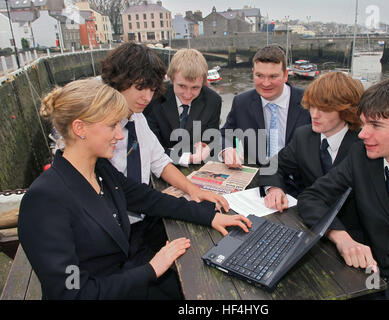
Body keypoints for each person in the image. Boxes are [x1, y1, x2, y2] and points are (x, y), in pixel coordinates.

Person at [18, 79, 252, 300]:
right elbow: (72, 292)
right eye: (112, 126)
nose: (120, 136)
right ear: (80, 128)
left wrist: (210, 216)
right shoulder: (45, 200)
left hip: (126, 277)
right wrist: (152, 269)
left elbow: (150, 199)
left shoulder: (100, 170)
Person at [297, 76, 389, 299]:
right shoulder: (360, 157)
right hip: (362, 284)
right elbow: (312, 198)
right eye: (364, 122)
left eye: (375, 125)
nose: (362, 133)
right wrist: (342, 237)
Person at [99, 43, 229, 213]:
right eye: (140, 88)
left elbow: (159, 161)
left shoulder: (138, 119)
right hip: (114, 212)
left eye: (152, 89)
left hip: (140, 207)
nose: (146, 97)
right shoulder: (98, 128)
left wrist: (194, 190)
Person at [259, 72, 364, 241]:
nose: (314, 114)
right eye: (313, 106)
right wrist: (274, 189)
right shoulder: (304, 136)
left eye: (324, 109)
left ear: (346, 110)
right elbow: (273, 166)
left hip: (352, 238)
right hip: (307, 226)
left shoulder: (364, 145)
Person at [220, 45, 310, 195]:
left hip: (301, 186)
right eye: (259, 76)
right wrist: (227, 149)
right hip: (258, 182)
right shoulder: (241, 102)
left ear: (286, 75)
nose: (266, 83)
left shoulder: (308, 102)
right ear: (253, 73)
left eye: (273, 77)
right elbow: (224, 134)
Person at [144, 48, 221, 166]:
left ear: (203, 83)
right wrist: (187, 157)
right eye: (182, 86)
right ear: (171, 78)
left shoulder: (213, 101)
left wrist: (204, 147)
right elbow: (151, 147)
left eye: (195, 88)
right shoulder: (154, 98)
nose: (188, 94)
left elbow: (210, 140)